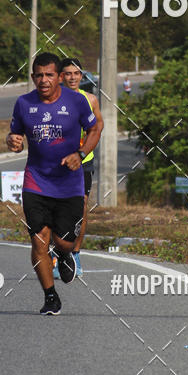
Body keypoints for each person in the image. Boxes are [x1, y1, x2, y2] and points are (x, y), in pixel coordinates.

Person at [6, 52, 101, 315]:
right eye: (39, 75)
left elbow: (94, 129)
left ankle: (66, 254)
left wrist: (81, 154)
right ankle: (50, 297)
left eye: (49, 75)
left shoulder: (77, 101)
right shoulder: (24, 103)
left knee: (63, 242)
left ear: (59, 77)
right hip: (36, 181)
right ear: (32, 77)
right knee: (39, 242)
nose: (44, 80)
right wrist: (12, 141)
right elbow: (15, 136)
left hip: (69, 183)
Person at [56, 57, 104, 278]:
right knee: (57, 210)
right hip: (57, 163)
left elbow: (98, 127)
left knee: (81, 209)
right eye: (68, 73)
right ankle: (59, 255)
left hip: (83, 162)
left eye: (76, 73)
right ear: (61, 77)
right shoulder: (52, 99)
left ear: (82, 76)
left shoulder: (91, 99)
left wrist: (84, 150)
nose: (72, 77)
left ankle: (75, 255)